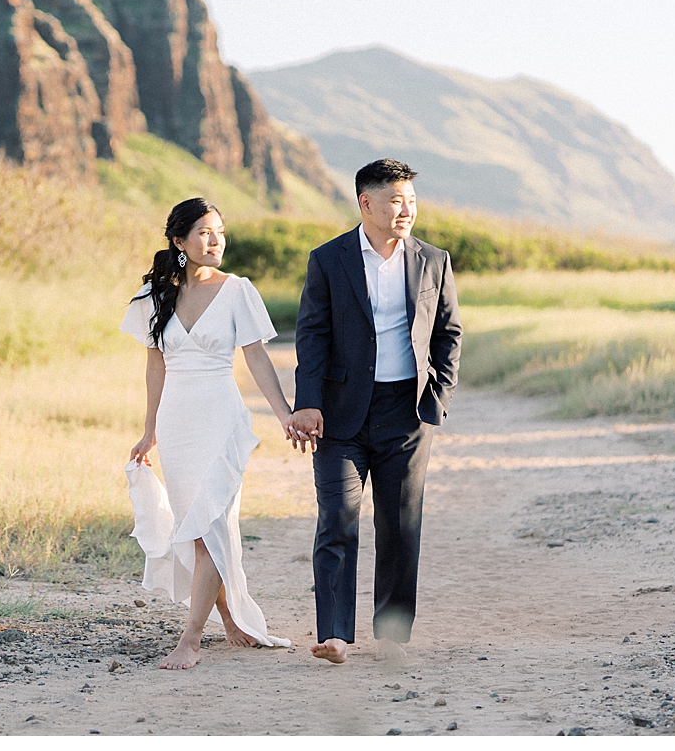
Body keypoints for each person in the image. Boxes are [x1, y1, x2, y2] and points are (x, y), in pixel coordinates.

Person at [290, 158, 462, 664]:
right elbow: (312, 334)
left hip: (407, 412)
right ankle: (335, 635)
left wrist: (439, 398)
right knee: (337, 519)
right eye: (394, 200)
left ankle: (391, 636)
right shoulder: (328, 259)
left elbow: (448, 333)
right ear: (366, 202)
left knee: (400, 524)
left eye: (410, 200)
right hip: (340, 415)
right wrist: (308, 402)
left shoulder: (434, 260)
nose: (405, 209)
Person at [122, 197, 297, 669]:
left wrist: (283, 413)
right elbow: (155, 365)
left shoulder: (238, 290)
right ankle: (230, 618)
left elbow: (257, 357)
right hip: (178, 424)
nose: (214, 240)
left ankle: (192, 639)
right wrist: (149, 430)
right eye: (203, 232)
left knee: (213, 523)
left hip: (221, 418)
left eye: (219, 230)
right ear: (179, 242)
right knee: (196, 531)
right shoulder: (153, 298)